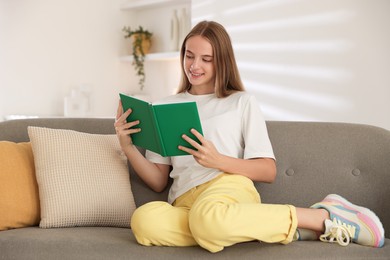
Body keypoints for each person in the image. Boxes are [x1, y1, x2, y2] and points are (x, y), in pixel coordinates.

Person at [114, 20, 385, 253]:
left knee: (208, 220)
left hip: (227, 190)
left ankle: (320, 217)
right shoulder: (164, 106)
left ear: (222, 61)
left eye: (206, 59)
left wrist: (218, 160)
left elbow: (268, 170)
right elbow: (159, 181)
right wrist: (128, 147)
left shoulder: (241, 102)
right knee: (144, 221)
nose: (194, 65)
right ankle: (274, 228)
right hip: (184, 202)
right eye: (189, 55)